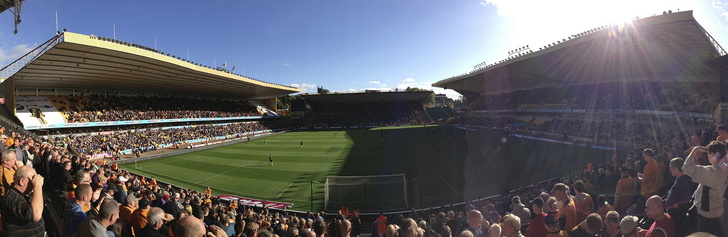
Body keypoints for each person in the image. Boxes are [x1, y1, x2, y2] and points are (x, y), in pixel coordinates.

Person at [682, 141, 728, 236]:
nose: (707, 156)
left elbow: (686, 168)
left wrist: (695, 150)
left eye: (708, 154)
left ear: (712, 154)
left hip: (707, 215)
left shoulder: (711, 173)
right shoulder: (725, 168)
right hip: (718, 211)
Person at [1, 165, 45, 236]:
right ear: (22, 181)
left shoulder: (25, 193)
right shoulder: (12, 197)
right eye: (33, 179)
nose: (35, 182)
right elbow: (35, 215)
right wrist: (38, 186)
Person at [663, 157, 698, 236]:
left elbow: (668, 203)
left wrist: (671, 203)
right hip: (684, 215)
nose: (669, 169)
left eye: (670, 167)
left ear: (675, 168)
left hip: (677, 218)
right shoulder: (689, 178)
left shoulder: (680, 183)